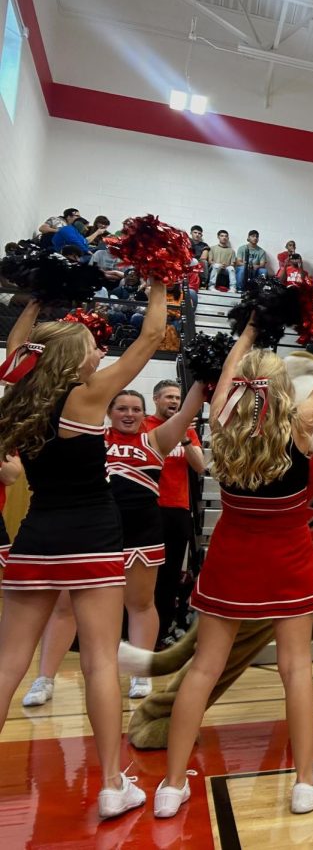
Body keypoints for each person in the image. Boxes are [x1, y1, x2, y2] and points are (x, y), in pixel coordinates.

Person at [153, 324, 313, 818]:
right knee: (296, 668)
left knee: (204, 668)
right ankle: (305, 784)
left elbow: (230, 372)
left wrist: (249, 329)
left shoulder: (221, 421)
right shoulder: (300, 426)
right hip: (286, 558)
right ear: (282, 391)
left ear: (236, 386)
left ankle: (171, 787)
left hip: (231, 555)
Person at [0, 282, 167, 818]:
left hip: (36, 537)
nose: (100, 352)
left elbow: (16, 351)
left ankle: (115, 783)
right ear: (72, 361)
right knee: (99, 663)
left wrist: (32, 303)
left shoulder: (23, 397)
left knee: (7, 664)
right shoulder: (86, 397)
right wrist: (160, 281)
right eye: (92, 347)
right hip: (93, 539)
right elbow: (148, 337)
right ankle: (114, 785)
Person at [28, 384, 208, 702]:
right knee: (66, 604)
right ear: (109, 412)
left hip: (142, 529)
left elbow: (187, 412)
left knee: (140, 603)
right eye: (121, 408)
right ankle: (44, 679)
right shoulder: (93, 438)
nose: (129, 414)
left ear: (144, 413)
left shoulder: (154, 439)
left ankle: (141, 673)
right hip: (92, 531)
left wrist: (203, 379)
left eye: (135, 409)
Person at [145, 380, 205, 644]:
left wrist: (183, 437)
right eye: (168, 397)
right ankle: (132, 632)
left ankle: (161, 633)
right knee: (145, 576)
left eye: (178, 398)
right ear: (156, 399)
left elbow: (201, 466)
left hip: (178, 510)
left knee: (170, 576)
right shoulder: (143, 425)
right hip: (148, 508)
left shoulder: (187, 431)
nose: (173, 401)